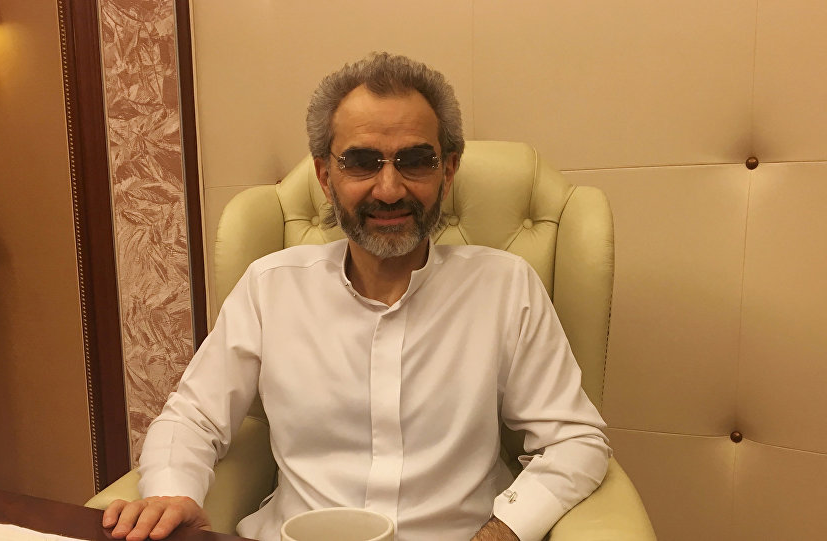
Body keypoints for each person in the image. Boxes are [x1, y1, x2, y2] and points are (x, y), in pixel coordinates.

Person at [102, 52, 611, 541]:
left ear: (448, 171)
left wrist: (502, 533)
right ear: (326, 177)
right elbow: (193, 417)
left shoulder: (505, 287)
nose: (389, 190)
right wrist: (173, 493)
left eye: (415, 161)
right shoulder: (270, 287)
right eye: (362, 163)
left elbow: (575, 441)